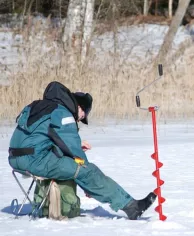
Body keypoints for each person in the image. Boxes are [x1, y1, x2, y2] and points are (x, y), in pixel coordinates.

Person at [8, 81, 156, 219]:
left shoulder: (39, 106)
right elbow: (73, 150)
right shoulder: (63, 113)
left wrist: (76, 149)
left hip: (16, 159)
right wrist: (86, 176)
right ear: (79, 107)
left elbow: (40, 139)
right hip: (35, 161)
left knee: (74, 166)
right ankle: (132, 207)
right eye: (82, 116)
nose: (80, 120)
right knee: (87, 170)